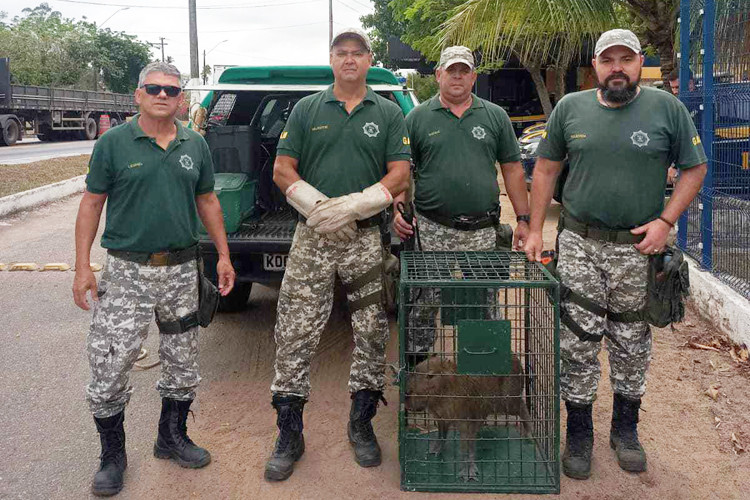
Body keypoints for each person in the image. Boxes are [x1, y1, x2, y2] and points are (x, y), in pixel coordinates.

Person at [524, 29, 707, 480]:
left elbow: (695, 168)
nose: (617, 67)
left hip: (637, 248)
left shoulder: (668, 109)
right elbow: (546, 168)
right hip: (580, 244)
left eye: (627, 59)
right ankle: (580, 434)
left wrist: (666, 222)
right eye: (609, 60)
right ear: (596, 66)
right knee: (577, 341)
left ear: (639, 62)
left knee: (631, 342)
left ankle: (625, 431)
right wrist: (532, 228)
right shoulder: (571, 108)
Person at [72, 61, 235, 496]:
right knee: (109, 364)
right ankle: (112, 455)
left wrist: (222, 255)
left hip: (182, 270)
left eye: (171, 89)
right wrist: (82, 266)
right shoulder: (112, 143)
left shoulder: (194, 144)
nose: (163, 95)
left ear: (181, 98)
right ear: (138, 95)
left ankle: (172, 437)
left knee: (183, 363)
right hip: (126, 272)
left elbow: (208, 201)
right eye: (154, 88)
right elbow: (91, 204)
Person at [265, 27, 411, 481]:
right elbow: (282, 168)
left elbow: (400, 174)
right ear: (331, 60)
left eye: (357, 53)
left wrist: (354, 205)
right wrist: (318, 207)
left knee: (370, 331)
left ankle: (361, 424)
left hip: (365, 238)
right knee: (294, 331)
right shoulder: (308, 108)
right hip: (312, 236)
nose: (349, 60)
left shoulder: (388, 113)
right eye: (341, 53)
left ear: (369, 60)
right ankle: (289, 432)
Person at [391, 46, 529, 363]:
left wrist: (523, 219)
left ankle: (482, 373)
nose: (457, 76)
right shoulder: (417, 118)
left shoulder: (495, 116)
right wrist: (398, 210)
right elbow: (401, 171)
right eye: (450, 70)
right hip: (431, 229)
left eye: (464, 70)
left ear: (473, 77)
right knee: (424, 302)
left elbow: (512, 169)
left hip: (483, 231)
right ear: (438, 74)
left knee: (484, 303)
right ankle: (420, 373)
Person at [667, 68, 698, 185]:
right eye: (672, 88)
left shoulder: (692, 104)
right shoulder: (681, 103)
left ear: (690, 84)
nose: (675, 92)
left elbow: (684, 136)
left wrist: (674, 165)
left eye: (677, 87)